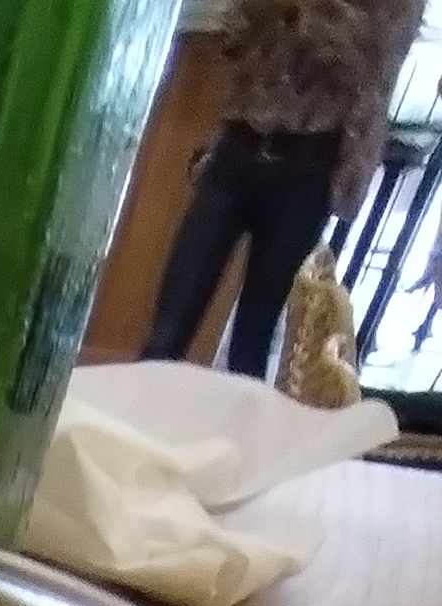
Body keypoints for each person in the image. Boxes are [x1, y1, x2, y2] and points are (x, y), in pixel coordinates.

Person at [142, 0, 424, 378]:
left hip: (308, 168)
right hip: (237, 147)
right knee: (167, 331)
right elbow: (234, 34)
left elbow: (369, 64)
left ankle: (239, 420)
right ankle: (131, 414)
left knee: (251, 343)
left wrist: (299, 12)